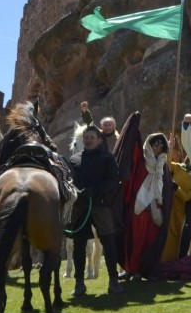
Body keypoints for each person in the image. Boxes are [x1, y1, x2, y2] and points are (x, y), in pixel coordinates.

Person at [67, 125, 124, 295]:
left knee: (108, 241)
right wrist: (78, 193)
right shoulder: (74, 160)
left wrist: (98, 191)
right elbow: (69, 181)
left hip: (100, 204)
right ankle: (79, 283)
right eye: (86, 137)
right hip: (80, 206)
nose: (89, 139)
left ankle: (113, 281)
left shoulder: (108, 158)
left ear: (99, 140)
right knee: (78, 245)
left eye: (92, 137)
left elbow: (113, 180)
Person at [124, 132, 169, 278]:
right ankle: (132, 268)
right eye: (156, 144)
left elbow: (166, 184)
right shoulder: (141, 160)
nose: (158, 148)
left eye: (161, 146)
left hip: (155, 207)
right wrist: (134, 129)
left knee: (151, 241)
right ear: (150, 144)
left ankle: (145, 270)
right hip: (139, 205)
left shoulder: (163, 164)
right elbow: (131, 149)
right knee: (136, 239)